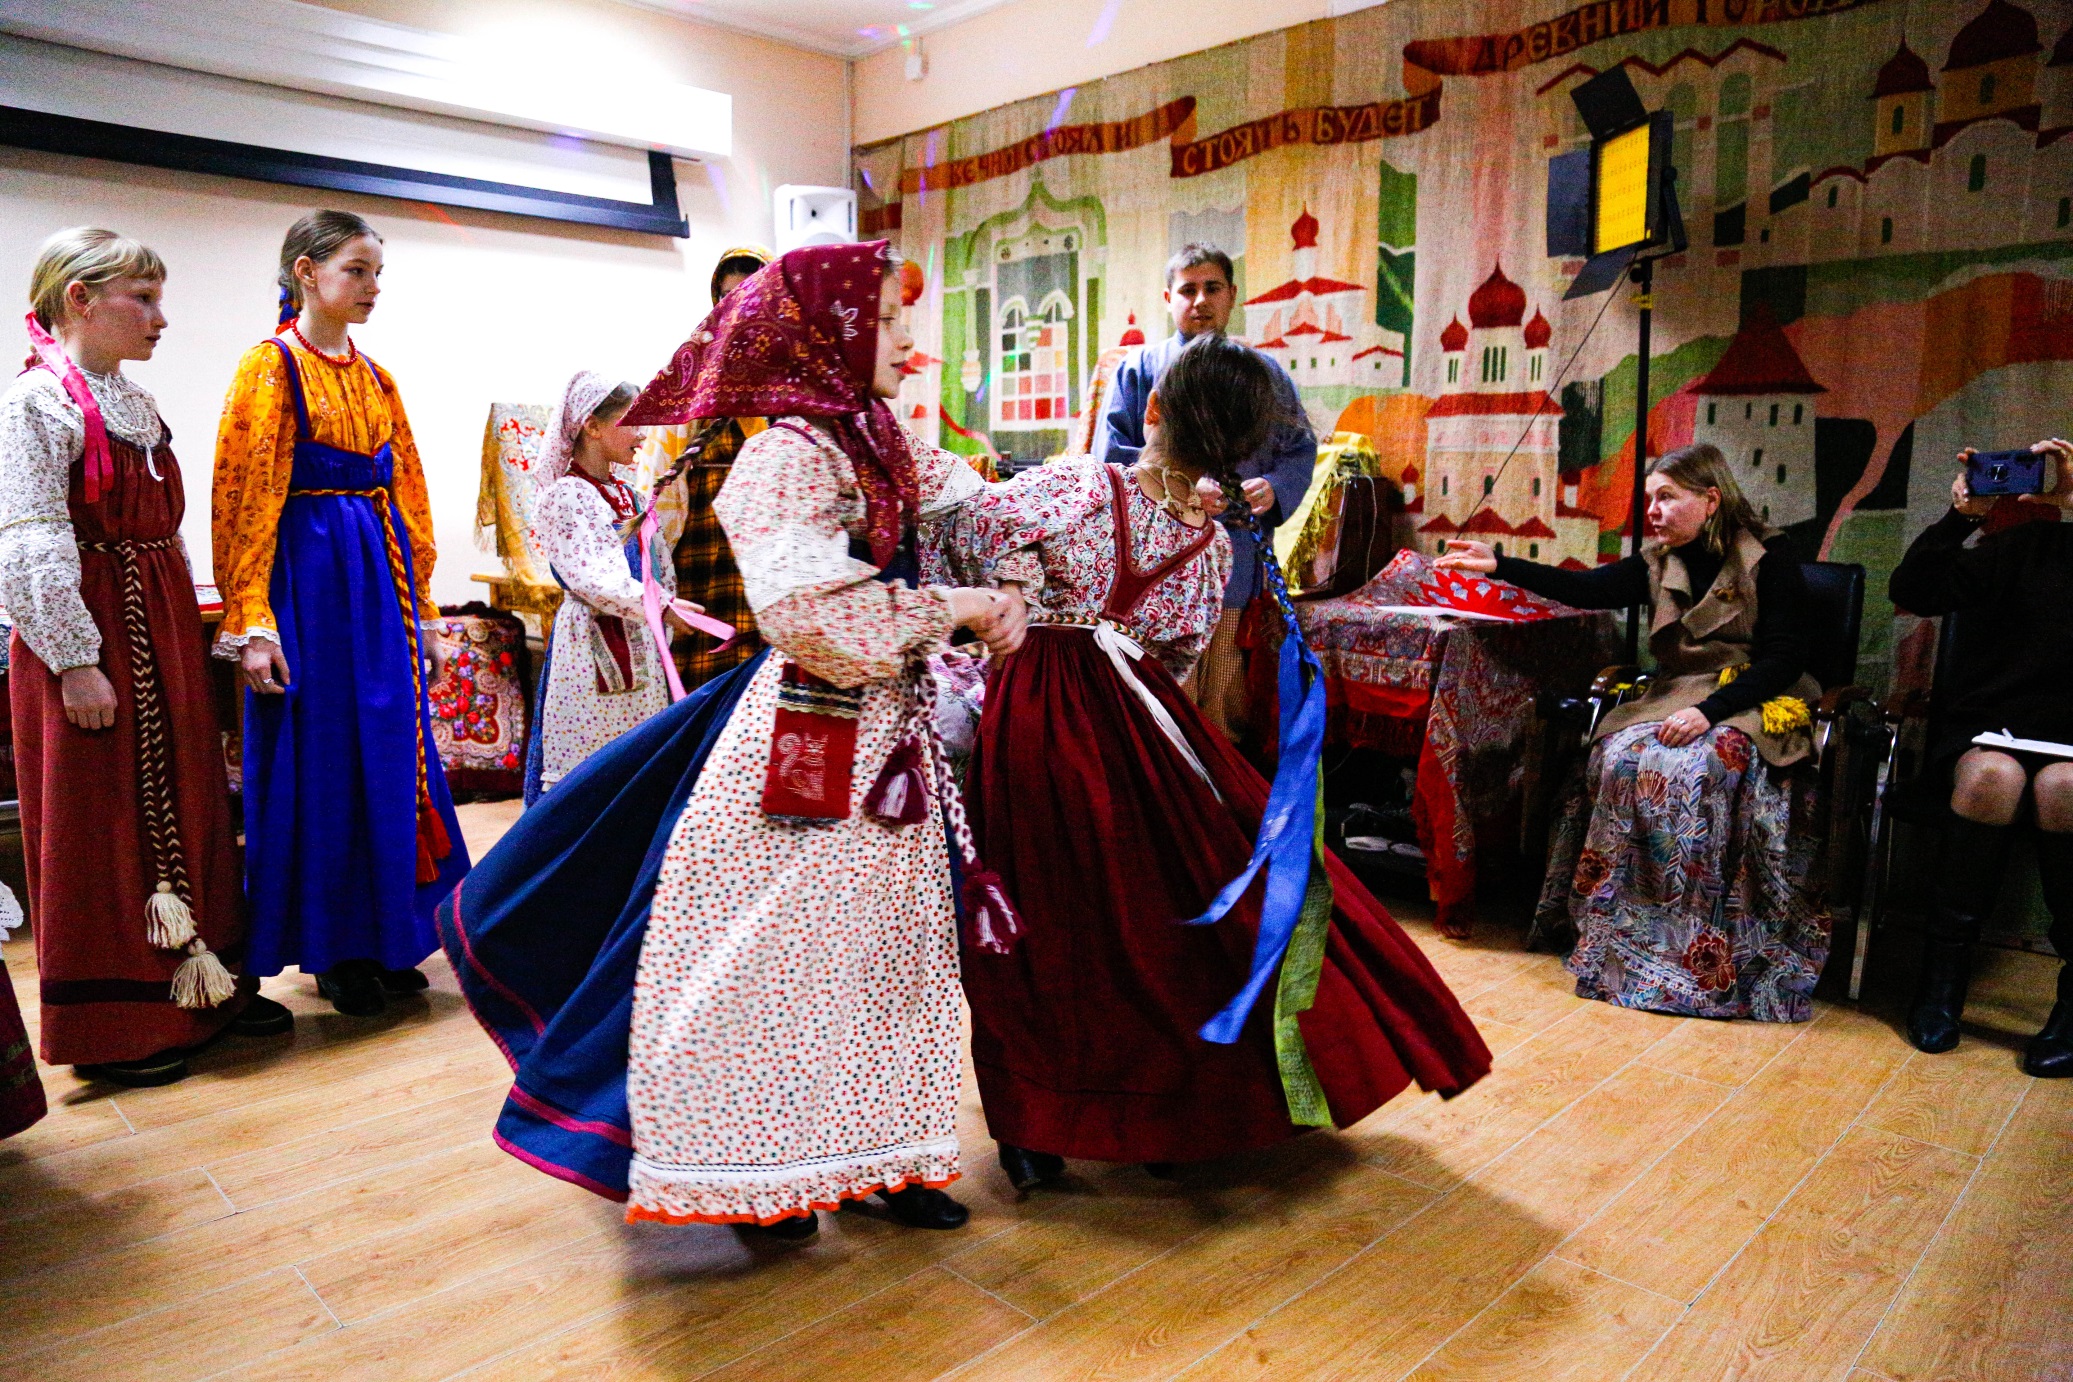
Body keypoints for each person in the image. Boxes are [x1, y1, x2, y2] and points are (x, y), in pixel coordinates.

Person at [438, 243, 1025, 1241]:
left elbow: (983, 505)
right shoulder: (785, 453)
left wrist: (1032, 560)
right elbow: (808, 616)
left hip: (893, 733)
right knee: (777, 960)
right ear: (832, 332)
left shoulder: (879, 435)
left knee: (892, 953)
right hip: (812, 730)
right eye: (887, 321)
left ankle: (883, 1155)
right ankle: (758, 1169)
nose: (907, 341)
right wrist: (959, 606)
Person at [946, 335, 1490, 1187]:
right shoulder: (1211, 548)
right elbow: (1179, 655)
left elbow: (972, 530)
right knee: (1152, 919)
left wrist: (1015, 592)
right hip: (1138, 722)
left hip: (1038, 712)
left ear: (1151, 411)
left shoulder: (1079, 484)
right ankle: (1164, 1113)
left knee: (1034, 921)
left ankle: (1031, 1128)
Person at [2, 228, 291, 1088]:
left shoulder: (131, 400)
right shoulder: (36, 404)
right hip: (89, 633)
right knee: (103, 819)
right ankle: (118, 1025)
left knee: (190, 797)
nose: (161, 319)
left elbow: (164, 529)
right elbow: (28, 541)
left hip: (156, 623)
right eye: (144, 299)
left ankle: (209, 991)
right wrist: (73, 660)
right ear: (80, 299)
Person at [1436, 443, 1828, 1021]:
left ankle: (1701, 948)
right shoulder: (1659, 562)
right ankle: (1620, 939)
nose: (1653, 511)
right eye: (1650, 499)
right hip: (1678, 689)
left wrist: (1709, 713)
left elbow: (1784, 658)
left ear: (1710, 499)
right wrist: (1500, 563)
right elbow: (1587, 588)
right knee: (1617, 758)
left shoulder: (1768, 557)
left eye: (1667, 497)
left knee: (1697, 766)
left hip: (1752, 693)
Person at [213, 210, 469, 1019]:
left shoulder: (375, 377)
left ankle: (390, 935)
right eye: (356, 270)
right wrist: (253, 621)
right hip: (310, 585)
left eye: (375, 273)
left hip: (377, 585)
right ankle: (335, 949)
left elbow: (409, 491)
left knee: (389, 752)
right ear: (306, 271)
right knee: (323, 761)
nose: (371, 287)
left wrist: (423, 612)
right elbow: (243, 499)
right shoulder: (270, 366)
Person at [1889, 440, 2073, 1075]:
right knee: (1993, 777)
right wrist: (1962, 517)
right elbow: (1913, 589)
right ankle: (1941, 985)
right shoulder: (2020, 546)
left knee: (2064, 788)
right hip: (1992, 727)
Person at [1096, 243, 1315, 741]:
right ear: (1168, 298)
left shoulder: (1264, 374)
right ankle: (1170, 769)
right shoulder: (1139, 368)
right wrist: (1179, 482)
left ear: (1232, 294)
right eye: (1187, 290)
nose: (1200, 301)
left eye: (1212, 288)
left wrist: (1275, 488)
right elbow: (1110, 457)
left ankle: (1223, 768)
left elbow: (1299, 448)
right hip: (1160, 557)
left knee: (1227, 689)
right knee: (1166, 692)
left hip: (1236, 556)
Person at [524, 371, 683, 802]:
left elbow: (657, 565)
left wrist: (664, 603)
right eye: (632, 421)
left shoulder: (630, 496)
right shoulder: (568, 496)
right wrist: (658, 605)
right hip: (590, 644)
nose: (642, 434)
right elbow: (593, 577)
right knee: (591, 768)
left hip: (639, 638)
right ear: (592, 426)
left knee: (637, 761)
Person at [639, 246, 775, 691]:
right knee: (701, 684)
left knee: (762, 685)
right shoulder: (692, 370)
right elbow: (660, 476)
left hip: (769, 554)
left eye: (752, 294)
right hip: (705, 553)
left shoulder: (790, 378)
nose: (739, 306)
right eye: (728, 296)